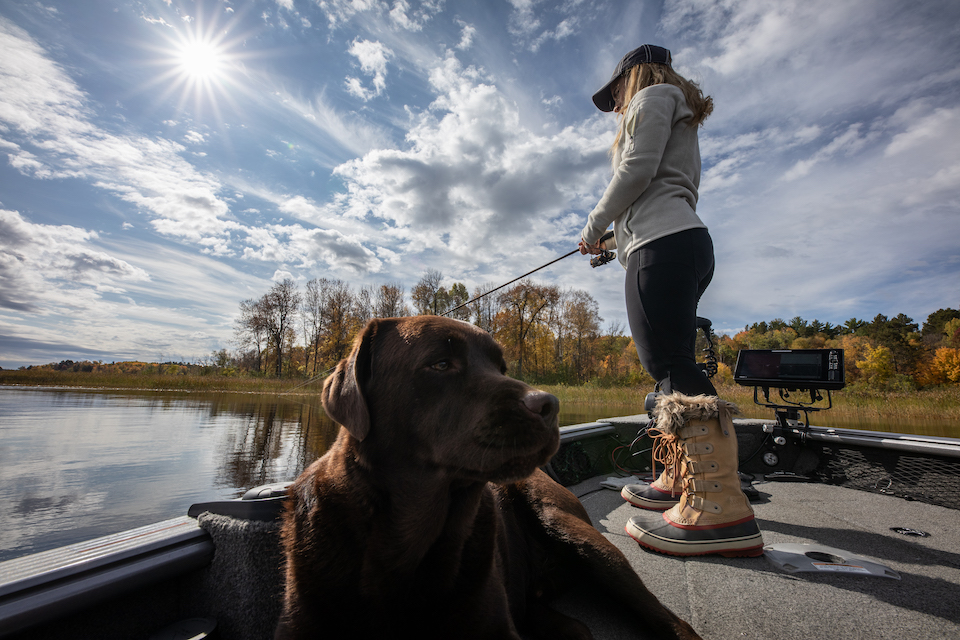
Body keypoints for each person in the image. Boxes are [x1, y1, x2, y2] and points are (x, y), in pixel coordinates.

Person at [579, 45, 763, 557]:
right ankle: (682, 480)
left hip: (664, 247)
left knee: (670, 363)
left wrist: (594, 225)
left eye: (615, 92)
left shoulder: (654, 95)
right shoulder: (674, 108)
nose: (615, 104)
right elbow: (660, 189)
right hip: (678, 243)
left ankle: (720, 509)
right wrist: (613, 241)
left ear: (631, 77)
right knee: (669, 365)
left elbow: (636, 171)